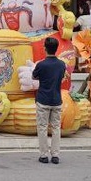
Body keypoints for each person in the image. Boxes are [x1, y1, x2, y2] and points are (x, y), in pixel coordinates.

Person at [32, 36, 67, 165]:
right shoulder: (61, 64)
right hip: (56, 99)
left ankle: (44, 155)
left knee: (42, 128)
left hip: (43, 99)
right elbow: (62, 76)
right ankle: (55, 155)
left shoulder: (41, 64)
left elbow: (34, 77)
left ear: (45, 48)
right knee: (56, 128)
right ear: (56, 49)